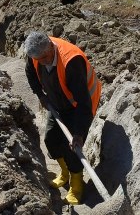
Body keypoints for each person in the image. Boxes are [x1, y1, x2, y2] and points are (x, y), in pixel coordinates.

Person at [23, 31, 101, 205]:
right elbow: (30, 73)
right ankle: (65, 173)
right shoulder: (34, 53)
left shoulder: (71, 62)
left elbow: (83, 103)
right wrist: (40, 95)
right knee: (51, 139)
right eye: (38, 59)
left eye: (45, 57)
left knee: (73, 148)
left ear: (51, 45)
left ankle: (76, 184)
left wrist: (79, 134)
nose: (42, 62)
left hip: (79, 106)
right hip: (57, 102)